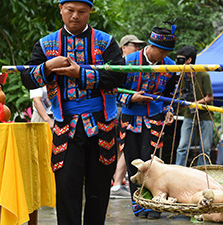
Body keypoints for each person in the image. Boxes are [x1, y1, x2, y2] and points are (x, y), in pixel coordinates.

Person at [19, 0, 126, 224]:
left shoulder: (106, 42)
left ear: (90, 12)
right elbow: (28, 79)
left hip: (101, 125)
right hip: (65, 126)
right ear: (61, 10)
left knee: (99, 190)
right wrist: (47, 66)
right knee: (67, 188)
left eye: (82, 11)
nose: (75, 16)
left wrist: (81, 73)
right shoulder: (46, 44)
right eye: (70, 10)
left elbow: (120, 75)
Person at [118, 24, 177, 219]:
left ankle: (153, 202)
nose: (162, 56)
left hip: (154, 118)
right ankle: (138, 202)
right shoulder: (127, 61)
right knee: (133, 160)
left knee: (151, 162)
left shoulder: (169, 65)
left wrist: (169, 111)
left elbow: (170, 93)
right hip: (130, 117)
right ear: (150, 45)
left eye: (167, 52)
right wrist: (130, 98)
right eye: (160, 50)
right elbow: (112, 90)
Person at [110, 34, 146, 199]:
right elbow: (112, 89)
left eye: (139, 46)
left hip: (135, 111)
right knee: (125, 148)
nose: (137, 48)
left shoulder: (139, 62)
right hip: (121, 109)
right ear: (124, 47)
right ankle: (117, 182)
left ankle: (118, 182)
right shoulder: (123, 63)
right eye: (134, 45)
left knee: (123, 149)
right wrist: (130, 98)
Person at [174, 45, 214, 166]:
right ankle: (178, 171)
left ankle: (203, 173)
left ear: (189, 60)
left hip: (205, 115)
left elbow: (210, 97)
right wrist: (181, 102)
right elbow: (180, 95)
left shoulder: (203, 74)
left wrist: (195, 104)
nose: (178, 63)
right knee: (182, 146)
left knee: (205, 149)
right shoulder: (182, 75)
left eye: (181, 60)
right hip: (189, 115)